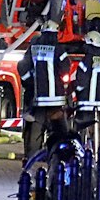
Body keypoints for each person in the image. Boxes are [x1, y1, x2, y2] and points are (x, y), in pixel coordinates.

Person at [19, 23, 70, 159]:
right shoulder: (58, 49)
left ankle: (33, 157)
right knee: (61, 129)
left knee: (36, 128)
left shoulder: (33, 48)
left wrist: (30, 83)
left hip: (38, 99)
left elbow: (22, 67)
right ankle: (63, 155)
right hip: (56, 99)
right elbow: (66, 68)